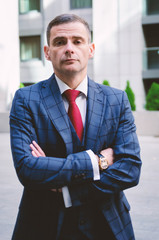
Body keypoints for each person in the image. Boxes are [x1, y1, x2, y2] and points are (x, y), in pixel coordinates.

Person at [10, 14, 142, 240]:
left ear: (90, 49)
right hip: (43, 225)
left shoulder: (116, 100)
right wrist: (98, 162)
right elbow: (28, 168)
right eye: (60, 42)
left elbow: (130, 168)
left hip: (108, 225)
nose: (69, 48)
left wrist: (68, 190)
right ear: (47, 51)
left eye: (77, 41)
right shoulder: (25, 99)